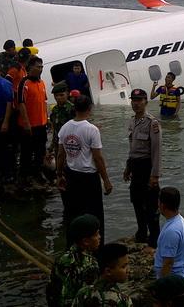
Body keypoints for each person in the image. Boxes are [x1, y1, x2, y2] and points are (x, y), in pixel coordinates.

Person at [56, 95, 113, 244]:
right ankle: (96, 250)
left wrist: (59, 175)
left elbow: (60, 154)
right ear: (90, 108)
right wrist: (106, 180)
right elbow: (98, 158)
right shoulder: (91, 130)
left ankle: (72, 247)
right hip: (88, 178)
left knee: (72, 215)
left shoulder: (65, 127)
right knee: (94, 217)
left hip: (71, 175)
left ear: (74, 108)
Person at [124, 88, 161, 247]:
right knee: (136, 201)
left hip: (147, 166)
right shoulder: (132, 121)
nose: (136, 103)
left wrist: (155, 175)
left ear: (146, 101)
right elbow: (132, 146)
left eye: (139, 100)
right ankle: (141, 233)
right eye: (134, 100)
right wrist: (128, 167)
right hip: (135, 166)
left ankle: (154, 238)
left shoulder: (152, 122)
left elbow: (157, 150)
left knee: (151, 205)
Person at [46, 214, 101, 307]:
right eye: (96, 234)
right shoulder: (90, 264)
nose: (100, 237)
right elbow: (87, 295)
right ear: (86, 241)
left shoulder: (63, 257)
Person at [17, 56, 49, 182]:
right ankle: (24, 174)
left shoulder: (42, 83)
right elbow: (21, 103)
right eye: (38, 67)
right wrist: (26, 123)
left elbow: (44, 101)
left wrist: (47, 118)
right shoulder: (24, 83)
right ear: (30, 68)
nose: (40, 69)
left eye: (41, 67)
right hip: (29, 124)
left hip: (41, 123)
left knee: (40, 150)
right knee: (26, 151)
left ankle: (38, 173)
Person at [72, 243, 132, 307]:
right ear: (108, 271)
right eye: (123, 266)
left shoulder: (83, 293)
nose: (128, 270)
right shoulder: (122, 300)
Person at [153, 187, 184, 290]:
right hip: (180, 275)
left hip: (173, 279)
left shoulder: (172, 230)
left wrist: (160, 284)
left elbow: (168, 263)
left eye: (159, 202)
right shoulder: (180, 220)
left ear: (163, 205)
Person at [49, 82, 76, 156]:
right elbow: (54, 129)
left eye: (61, 95)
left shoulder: (72, 109)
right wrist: (51, 146)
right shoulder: (54, 110)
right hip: (58, 143)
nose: (58, 98)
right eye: (56, 95)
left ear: (67, 94)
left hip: (71, 144)